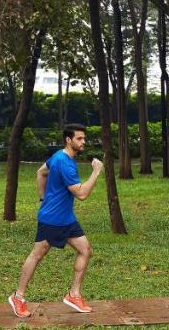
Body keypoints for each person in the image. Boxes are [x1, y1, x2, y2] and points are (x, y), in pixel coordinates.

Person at [8, 123, 103, 318]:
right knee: (37, 255)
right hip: (53, 220)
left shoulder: (58, 156)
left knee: (85, 250)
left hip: (66, 218)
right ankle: (18, 297)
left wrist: (43, 198)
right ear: (68, 140)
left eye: (84, 138)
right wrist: (96, 172)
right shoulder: (65, 163)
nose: (83, 141)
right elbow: (82, 194)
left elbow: (41, 172)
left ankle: (74, 294)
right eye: (79, 138)